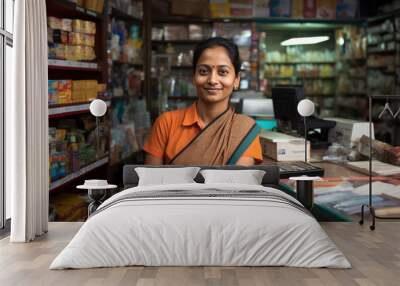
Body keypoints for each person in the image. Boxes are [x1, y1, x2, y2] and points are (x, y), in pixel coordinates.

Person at [143, 37, 262, 166]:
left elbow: (238, 183)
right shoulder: (166, 123)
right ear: (194, 77)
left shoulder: (244, 130)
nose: (212, 79)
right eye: (204, 71)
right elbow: (151, 180)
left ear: (236, 80)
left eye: (223, 72)